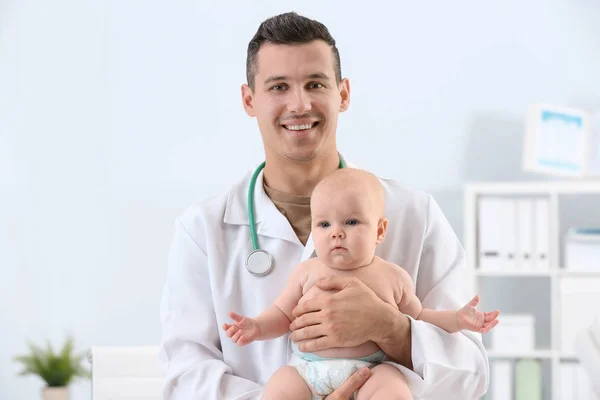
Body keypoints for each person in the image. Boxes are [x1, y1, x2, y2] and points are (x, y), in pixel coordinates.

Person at [159, 11, 491, 400]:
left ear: (343, 94)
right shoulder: (202, 229)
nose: (299, 104)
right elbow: (186, 374)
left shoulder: (415, 214)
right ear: (249, 100)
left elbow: (470, 373)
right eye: (278, 87)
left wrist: (392, 329)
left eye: (314, 83)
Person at [222, 168, 499, 400]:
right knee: (280, 386)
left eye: (351, 222)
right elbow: (281, 314)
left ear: (379, 230)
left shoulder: (393, 276)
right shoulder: (306, 272)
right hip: (307, 372)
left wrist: (459, 319)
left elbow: (420, 319)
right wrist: (256, 327)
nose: (337, 233)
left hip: (370, 372)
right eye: (324, 225)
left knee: (394, 388)